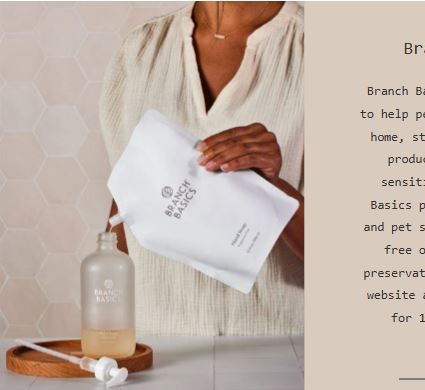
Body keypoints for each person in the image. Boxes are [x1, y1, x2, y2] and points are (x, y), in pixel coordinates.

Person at [100, 1, 303, 336]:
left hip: (278, 357)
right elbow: (126, 209)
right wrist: (106, 341)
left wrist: (273, 188)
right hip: (156, 354)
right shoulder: (139, 52)